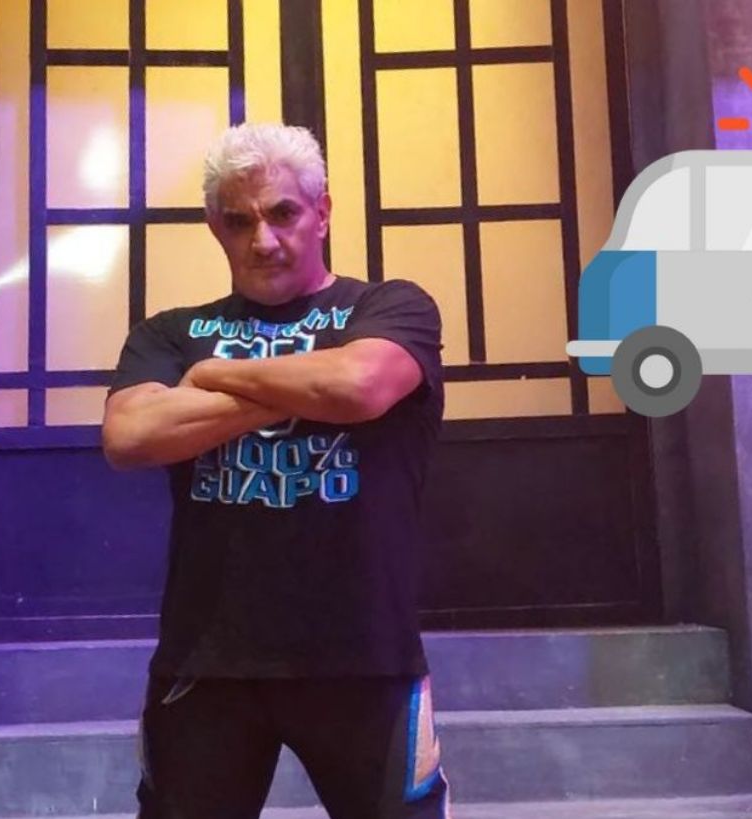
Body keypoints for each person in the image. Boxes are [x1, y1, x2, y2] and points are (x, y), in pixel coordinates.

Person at [101, 122, 451, 819]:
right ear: (215, 227)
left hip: (364, 655)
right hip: (205, 664)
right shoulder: (170, 332)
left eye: (283, 213)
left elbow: (358, 387)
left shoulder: (388, 307)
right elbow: (130, 434)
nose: (262, 240)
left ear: (323, 211)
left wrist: (214, 377)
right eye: (239, 221)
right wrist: (302, 388)